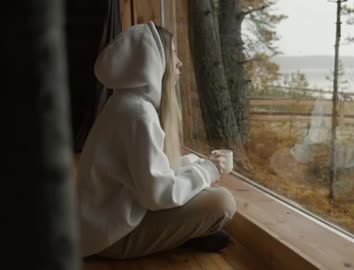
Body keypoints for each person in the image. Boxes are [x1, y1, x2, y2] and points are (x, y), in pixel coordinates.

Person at [76, 21, 236, 259]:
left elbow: (147, 173)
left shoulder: (125, 103)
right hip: (109, 237)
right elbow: (158, 194)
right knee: (222, 202)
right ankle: (181, 236)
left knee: (204, 191)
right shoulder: (139, 114)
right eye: (172, 53)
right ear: (151, 61)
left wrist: (197, 163)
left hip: (98, 224)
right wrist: (209, 170)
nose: (179, 62)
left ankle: (186, 233)